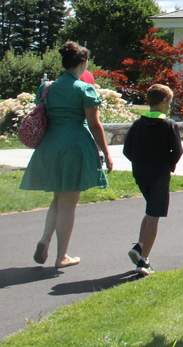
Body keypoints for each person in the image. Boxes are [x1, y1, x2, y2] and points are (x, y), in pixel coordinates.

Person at [20, 41, 114, 269]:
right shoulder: (84, 89)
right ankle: (61, 256)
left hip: (50, 145)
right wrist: (106, 153)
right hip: (74, 146)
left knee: (58, 198)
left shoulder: (47, 88)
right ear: (83, 62)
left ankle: (45, 240)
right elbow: (95, 125)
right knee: (69, 203)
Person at [123, 83, 183, 276]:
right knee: (154, 216)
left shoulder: (138, 124)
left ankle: (139, 246)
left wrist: (139, 162)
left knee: (151, 211)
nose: (170, 106)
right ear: (165, 101)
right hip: (159, 175)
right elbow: (178, 150)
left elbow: (127, 149)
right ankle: (144, 260)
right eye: (170, 102)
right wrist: (169, 164)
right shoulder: (169, 125)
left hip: (141, 174)